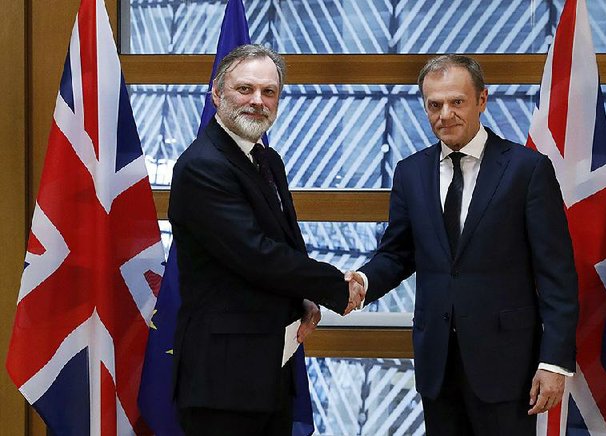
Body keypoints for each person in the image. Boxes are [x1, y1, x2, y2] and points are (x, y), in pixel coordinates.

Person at [351, 54, 579, 435]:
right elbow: (398, 253)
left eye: (456, 102)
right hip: (438, 365)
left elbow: (556, 274)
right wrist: (362, 281)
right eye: (434, 104)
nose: (446, 114)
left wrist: (554, 363)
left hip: (507, 366)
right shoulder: (411, 172)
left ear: (482, 100)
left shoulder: (527, 169)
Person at [169, 44, 364, 435]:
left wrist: (304, 298)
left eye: (269, 92)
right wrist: (334, 288)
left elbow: (285, 244)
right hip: (222, 381)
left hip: (269, 363)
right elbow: (255, 254)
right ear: (217, 94)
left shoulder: (266, 159)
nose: (258, 101)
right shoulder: (201, 166)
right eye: (245, 89)